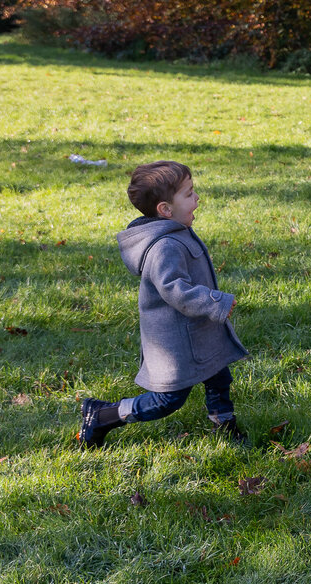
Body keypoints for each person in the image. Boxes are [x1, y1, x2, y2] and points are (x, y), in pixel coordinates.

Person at [77, 161, 249, 448]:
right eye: (189, 194)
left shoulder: (175, 231)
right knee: (167, 400)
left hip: (197, 332)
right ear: (166, 210)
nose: (197, 199)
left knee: (218, 374)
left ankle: (225, 427)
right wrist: (214, 301)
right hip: (176, 341)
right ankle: (104, 414)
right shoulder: (164, 246)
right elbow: (175, 289)